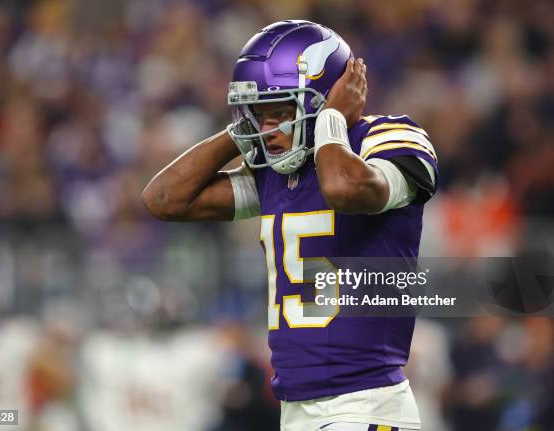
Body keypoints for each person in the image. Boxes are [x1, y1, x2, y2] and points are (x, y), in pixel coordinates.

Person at [143, 20, 437, 431]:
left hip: (364, 406)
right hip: (296, 409)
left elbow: (341, 187)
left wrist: (333, 118)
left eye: (281, 111)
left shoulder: (387, 138)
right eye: (258, 114)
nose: (269, 130)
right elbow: (164, 199)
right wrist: (240, 129)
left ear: (327, 97)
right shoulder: (276, 169)